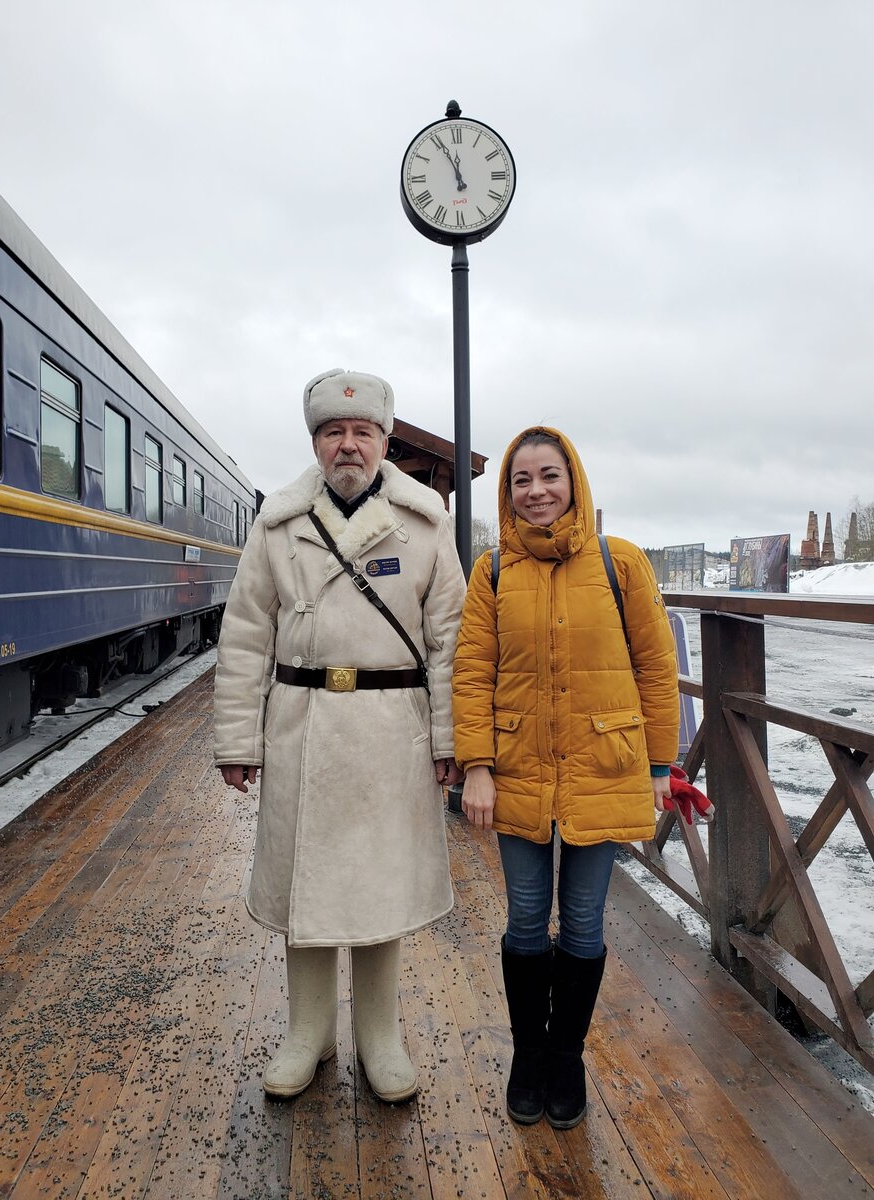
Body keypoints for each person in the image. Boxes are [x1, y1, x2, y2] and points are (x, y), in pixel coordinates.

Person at [214, 368, 466, 1103]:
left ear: (384, 441)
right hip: (301, 727)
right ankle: (308, 1033)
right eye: (333, 432)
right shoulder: (277, 525)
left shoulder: (425, 524)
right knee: (306, 886)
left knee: (381, 883)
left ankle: (380, 1039)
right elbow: (244, 637)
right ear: (317, 444)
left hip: (393, 733)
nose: (348, 445)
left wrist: (449, 738)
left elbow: (448, 639)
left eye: (361, 432)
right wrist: (238, 740)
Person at [452, 426, 679, 1129]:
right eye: (522, 480)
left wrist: (660, 768)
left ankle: (567, 1057)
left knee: (582, 922)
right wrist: (478, 768)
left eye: (549, 475)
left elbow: (656, 668)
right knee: (525, 920)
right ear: (508, 491)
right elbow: (472, 674)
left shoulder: (624, 564)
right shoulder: (493, 574)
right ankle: (528, 1057)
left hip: (603, 769)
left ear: (573, 481)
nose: (536, 490)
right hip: (517, 770)